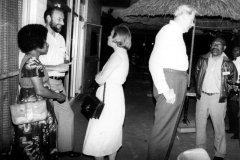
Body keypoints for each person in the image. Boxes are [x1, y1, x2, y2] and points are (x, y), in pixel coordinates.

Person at [148, 4, 197, 160]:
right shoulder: (167, 32)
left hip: (176, 81)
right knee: (163, 132)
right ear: (183, 15)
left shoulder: (175, 34)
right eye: (192, 19)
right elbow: (154, 62)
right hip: (170, 83)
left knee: (169, 130)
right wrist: (165, 89)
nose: (193, 23)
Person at [11, 24, 66, 160]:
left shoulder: (31, 59)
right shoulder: (32, 63)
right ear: (36, 44)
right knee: (36, 146)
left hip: (35, 109)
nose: (47, 44)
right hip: (35, 113)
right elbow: (40, 90)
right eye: (44, 41)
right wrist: (59, 96)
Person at [82, 24, 131, 160]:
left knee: (100, 134)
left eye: (111, 34)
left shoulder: (116, 56)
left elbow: (100, 79)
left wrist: (98, 75)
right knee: (112, 132)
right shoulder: (123, 54)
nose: (108, 37)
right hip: (116, 96)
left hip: (108, 97)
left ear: (117, 38)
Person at [39, 6, 78, 157]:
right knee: (46, 120)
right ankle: (48, 150)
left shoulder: (61, 38)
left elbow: (63, 57)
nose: (62, 22)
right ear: (48, 19)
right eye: (59, 19)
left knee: (67, 115)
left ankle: (65, 149)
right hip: (44, 83)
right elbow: (34, 64)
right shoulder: (40, 37)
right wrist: (56, 66)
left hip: (59, 83)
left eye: (63, 19)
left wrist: (65, 61)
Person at [195, 37, 238, 160]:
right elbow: (197, 74)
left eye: (219, 45)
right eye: (213, 44)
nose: (215, 46)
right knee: (200, 125)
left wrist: (224, 93)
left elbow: (233, 80)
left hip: (217, 98)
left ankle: (220, 153)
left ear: (224, 48)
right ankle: (199, 149)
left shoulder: (228, 63)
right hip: (202, 97)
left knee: (219, 127)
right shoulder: (203, 59)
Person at [226, 46, 240, 139]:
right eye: (233, 50)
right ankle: (232, 128)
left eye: (236, 50)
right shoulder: (232, 62)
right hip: (231, 88)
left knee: (236, 111)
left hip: (237, 89)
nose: (234, 52)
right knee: (230, 110)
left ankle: (237, 133)